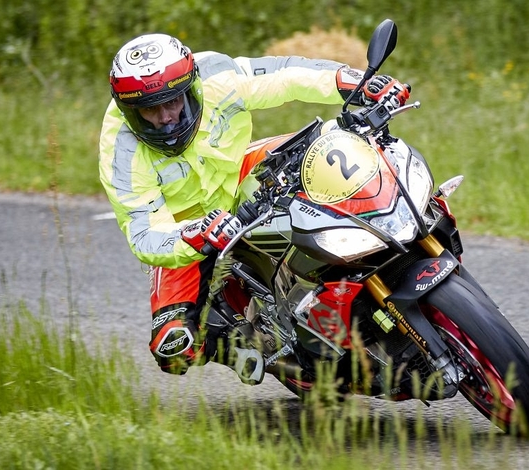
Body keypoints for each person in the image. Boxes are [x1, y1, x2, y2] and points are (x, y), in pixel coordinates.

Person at [98, 33, 410, 385]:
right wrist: (194, 235)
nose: (166, 118)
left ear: (192, 85)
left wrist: (352, 81)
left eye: (174, 101)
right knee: (172, 347)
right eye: (150, 110)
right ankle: (237, 344)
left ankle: (392, 225)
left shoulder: (216, 75)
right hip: (191, 228)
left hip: (243, 172)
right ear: (128, 111)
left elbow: (286, 75)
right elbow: (143, 232)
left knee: (330, 140)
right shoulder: (120, 153)